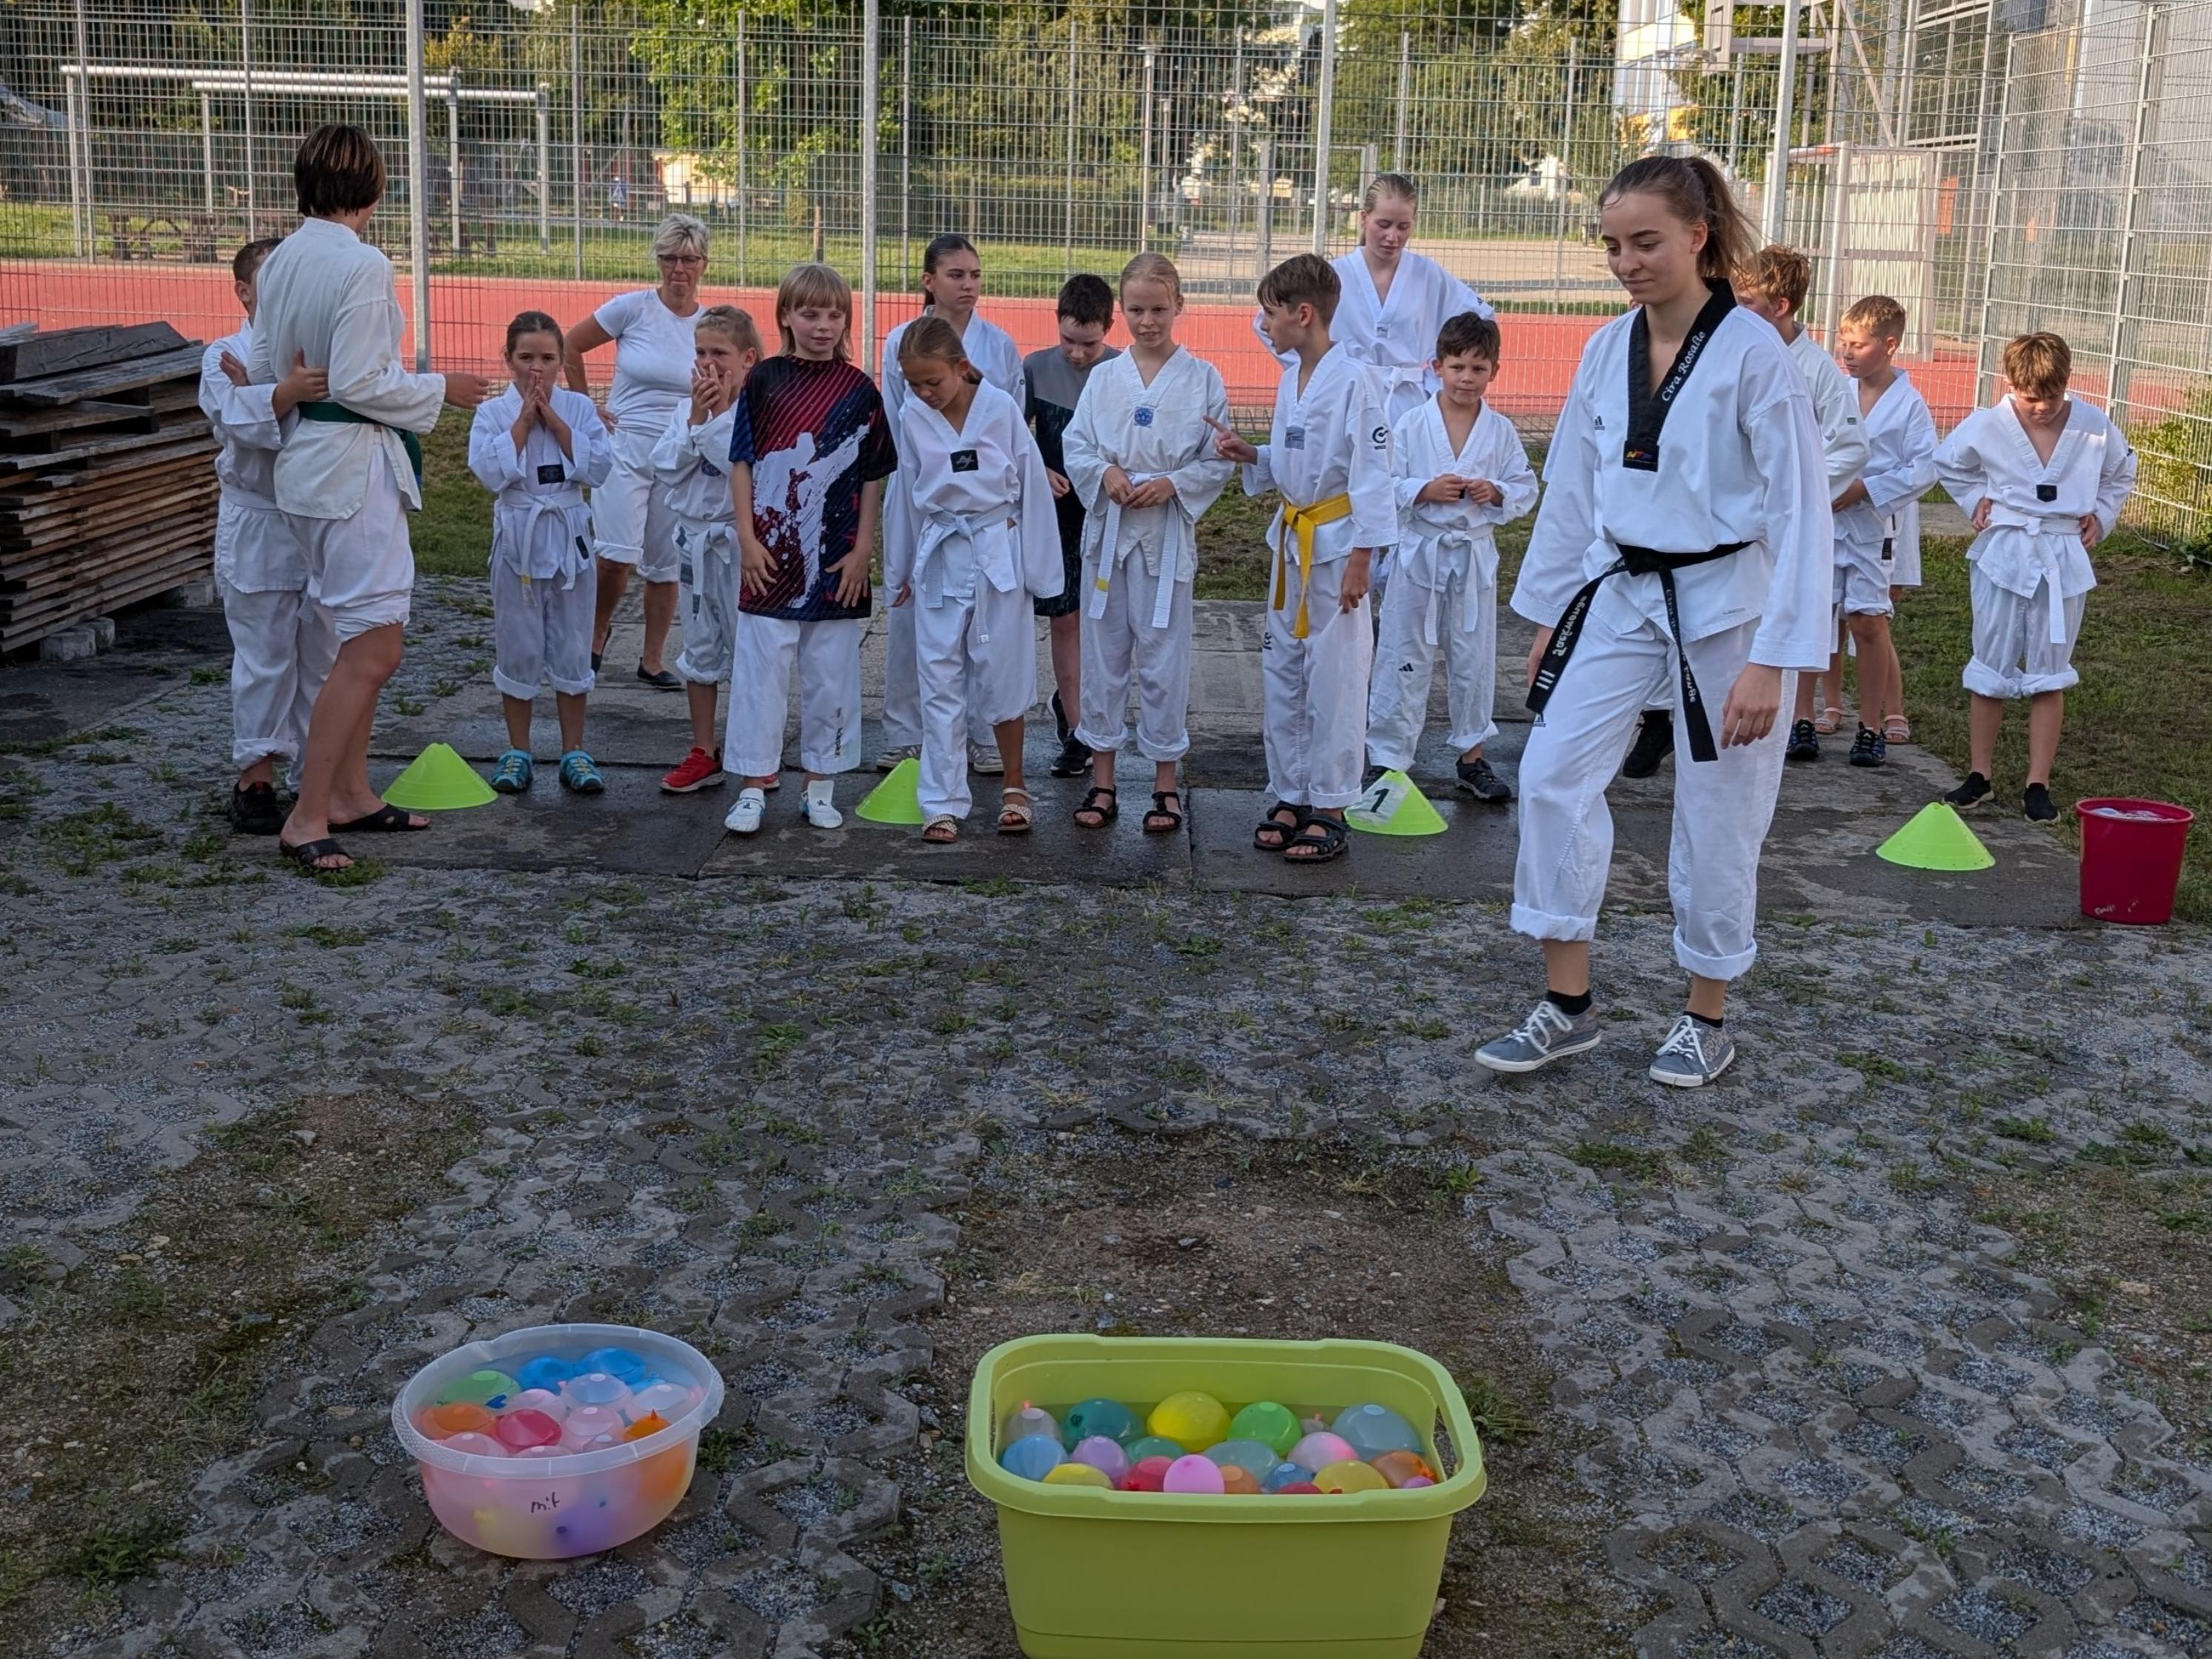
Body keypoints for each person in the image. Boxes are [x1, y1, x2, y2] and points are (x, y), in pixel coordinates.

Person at [1474, 155, 1831, 1089]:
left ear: (1697, 237)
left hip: (1729, 606)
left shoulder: (1753, 354)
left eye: (1644, 242)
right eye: (1611, 246)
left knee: (1719, 811)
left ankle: (1704, 1015)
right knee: (1550, 776)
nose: (1626, 263)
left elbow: (1801, 511)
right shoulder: (1605, 348)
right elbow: (1571, 489)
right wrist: (1549, 612)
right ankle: (1567, 1004)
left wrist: (1774, 659)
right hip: (1619, 591)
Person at [249, 122, 489, 873]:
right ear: (374, 190)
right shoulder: (362, 262)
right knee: (374, 647)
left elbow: (263, 365)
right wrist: (440, 389)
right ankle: (308, 813)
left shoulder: (281, 259)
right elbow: (359, 382)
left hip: (306, 466)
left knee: (352, 636)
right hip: (350, 470)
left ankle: (350, 792)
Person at [1621, 242, 1868, 778]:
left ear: (1780, 306)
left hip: (1761, 538)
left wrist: (1782, 500)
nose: (1731, 305)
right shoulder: (1715, 348)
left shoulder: (1815, 369)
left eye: (1747, 299)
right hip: (1695, 531)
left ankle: (1783, 718)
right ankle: (1658, 717)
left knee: (1741, 651)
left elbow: (1849, 448)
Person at [1210, 253, 1394, 865]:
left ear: (1304, 314)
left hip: (1337, 547)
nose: (1263, 325)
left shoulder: (1358, 381)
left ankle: (1332, 804)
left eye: (1270, 314)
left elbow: (1371, 474)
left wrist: (1363, 556)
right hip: (1292, 541)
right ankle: (1291, 792)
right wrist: (1253, 455)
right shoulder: (1292, 379)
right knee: (1284, 671)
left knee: (1336, 678)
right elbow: (1298, 461)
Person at [1060, 254, 1235, 836]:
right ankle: (1103, 779)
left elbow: (1216, 458)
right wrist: (1105, 473)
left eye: (1159, 309)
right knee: (1104, 656)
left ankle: (1164, 784)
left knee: (1163, 659)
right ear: (1121, 311)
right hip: (1109, 535)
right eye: (1135, 310)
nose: (1147, 321)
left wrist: (1173, 484)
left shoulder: (1202, 378)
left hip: (1164, 537)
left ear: (1179, 305)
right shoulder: (1104, 377)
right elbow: (1077, 445)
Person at [723, 263, 897, 835]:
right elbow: (742, 462)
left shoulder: (859, 390)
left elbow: (871, 475)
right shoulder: (764, 380)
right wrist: (747, 538)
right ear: (786, 316)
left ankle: (820, 786)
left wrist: (863, 548)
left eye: (833, 314)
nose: (823, 325)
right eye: (810, 313)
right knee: (761, 675)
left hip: (835, 560)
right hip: (769, 558)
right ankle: (753, 786)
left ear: (846, 320)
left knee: (831, 675)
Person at [1935, 331, 2136, 821]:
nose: (2042, 407)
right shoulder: (1988, 424)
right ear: (2009, 384)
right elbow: (1948, 463)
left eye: (2051, 396)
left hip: (2062, 551)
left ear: (2066, 382)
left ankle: (2037, 784)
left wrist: (2101, 514)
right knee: (1990, 661)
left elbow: (2120, 472)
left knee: (2050, 669)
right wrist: (1976, 499)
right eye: (2030, 398)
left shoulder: (2093, 426)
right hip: (2005, 549)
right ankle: (1979, 775)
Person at [885, 317, 1063, 841]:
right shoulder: (912, 416)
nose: (924, 392)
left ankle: (1014, 785)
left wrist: (1042, 573)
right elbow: (905, 494)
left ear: (961, 367)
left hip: (996, 552)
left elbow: (1032, 487)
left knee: (1004, 674)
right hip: (941, 555)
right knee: (938, 676)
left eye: (932, 381)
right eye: (914, 383)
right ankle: (941, 799)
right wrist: (899, 569)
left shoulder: (1000, 409)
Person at [1365, 309, 1537, 803]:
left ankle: (1471, 755)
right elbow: (1380, 483)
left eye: (1478, 369)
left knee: (1473, 658)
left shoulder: (1500, 430)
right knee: (1403, 654)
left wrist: (1496, 491)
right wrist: (1423, 489)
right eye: (1457, 366)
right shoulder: (1410, 423)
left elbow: (1525, 486)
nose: (1467, 378)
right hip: (1420, 555)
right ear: (1436, 366)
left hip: (1472, 557)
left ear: (1494, 372)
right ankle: (1389, 759)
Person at [201, 236, 336, 835]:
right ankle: (255, 778)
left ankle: (318, 779)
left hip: (318, 517)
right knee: (264, 656)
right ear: (243, 292)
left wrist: (273, 388)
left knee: (323, 655)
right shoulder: (223, 354)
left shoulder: (318, 352)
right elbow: (235, 419)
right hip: (259, 520)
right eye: (270, 282)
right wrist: (283, 393)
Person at [877, 234, 1024, 774]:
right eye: (956, 275)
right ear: (929, 281)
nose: (969, 285)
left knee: (985, 628)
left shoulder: (998, 346)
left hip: (984, 510)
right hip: (923, 493)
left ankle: (981, 734)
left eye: (975, 275)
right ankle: (905, 732)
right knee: (911, 618)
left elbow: (1012, 424)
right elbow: (898, 420)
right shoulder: (901, 341)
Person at [562, 212, 712, 688]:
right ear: (658, 261)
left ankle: (652, 658)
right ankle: (596, 631)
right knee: (615, 556)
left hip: (679, 452)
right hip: (625, 444)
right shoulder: (632, 309)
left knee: (665, 565)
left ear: (704, 264)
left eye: (688, 259)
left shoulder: (709, 324)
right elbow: (570, 345)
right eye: (669, 258)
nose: (678, 269)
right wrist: (586, 406)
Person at [468, 310, 615, 794]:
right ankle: (518, 750)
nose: (537, 369)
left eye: (548, 359)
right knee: (519, 641)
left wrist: (554, 421)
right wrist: (524, 421)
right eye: (526, 358)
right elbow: (489, 472)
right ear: (508, 359)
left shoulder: (580, 408)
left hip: (569, 536)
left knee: (573, 640)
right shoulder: (493, 413)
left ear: (561, 361)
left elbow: (599, 469)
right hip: (519, 538)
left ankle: (575, 750)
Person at [1796, 293, 1937, 766]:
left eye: (1858, 345)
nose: (1848, 354)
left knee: (1867, 621)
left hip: (1873, 527)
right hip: (1826, 520)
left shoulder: (1909, 405)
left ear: (1889, 345)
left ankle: (1871, 726)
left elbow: (1924, 468)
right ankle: (1802, 717)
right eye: (1845, 344)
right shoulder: (1835, 390)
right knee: (1816, 618)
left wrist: (1865, 489)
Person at [654, 305, 763, 794]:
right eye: (700, 352)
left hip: (740, 546)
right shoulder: (685, 410)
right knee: (699, 646)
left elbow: (739, 467)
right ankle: (704, 749)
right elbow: (666, 470)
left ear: (747, 359)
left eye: (719, 353)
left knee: (749, 648)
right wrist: (696, 419)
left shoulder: (757, 413)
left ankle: (755, 750)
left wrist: (713, 422)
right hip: (695, 542)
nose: (708, 363)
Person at [1023, 273, 1120, 780]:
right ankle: (1077, 726)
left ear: (1109, 328)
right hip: (1056, 509)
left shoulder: (1123, 371)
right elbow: (1014, 436)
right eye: (1068, 341)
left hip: (1106, 509)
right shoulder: (1036, 368)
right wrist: (1039, 469)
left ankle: (1092, 712)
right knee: (1065, 618)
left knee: (1103, 620)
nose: (1077, 354)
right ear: (1056, 323)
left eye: (1089, 344)